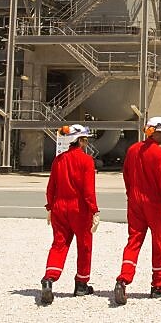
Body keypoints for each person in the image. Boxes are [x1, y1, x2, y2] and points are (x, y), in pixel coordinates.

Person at [113, 116, 161, 305]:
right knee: (158, 243)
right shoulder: (160, 154)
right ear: (154, 133)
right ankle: (157, 286)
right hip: (154, 205)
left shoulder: (132, 150)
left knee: (133, 241)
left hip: (134, 202)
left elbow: (126, 175)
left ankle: (123, 279)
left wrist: (130, 195)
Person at [39, 124, 99, 305]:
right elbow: (88, 191)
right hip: (79, 209)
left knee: (59, 244)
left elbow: (51, 187)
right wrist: (94, 210)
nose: (86, 143)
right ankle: (81, 284)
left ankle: (49, 278)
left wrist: (50, 207)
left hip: (59, 207)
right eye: (85, 140)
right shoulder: (87, 161)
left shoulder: (58, 160)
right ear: (79, 141)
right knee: (84, 245)